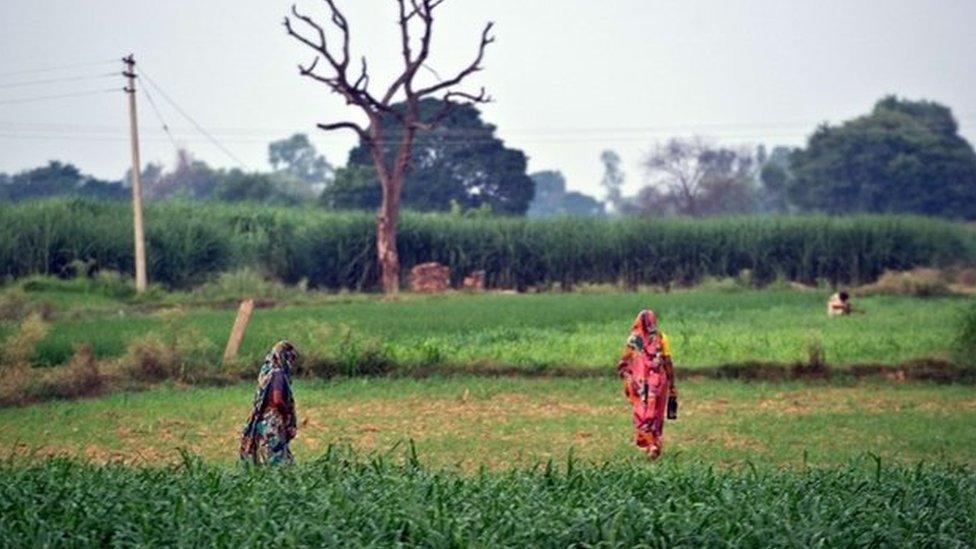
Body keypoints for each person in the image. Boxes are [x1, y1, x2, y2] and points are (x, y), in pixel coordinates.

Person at [616, 309, 678, 460]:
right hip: (658, 382)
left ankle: (652, 446)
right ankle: (655, 443)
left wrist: (628, 379)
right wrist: (672, 384)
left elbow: (624, 363)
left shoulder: (634, 340)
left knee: (642, 413)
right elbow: (667, 361)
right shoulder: (661, 338)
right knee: (656, 413)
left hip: (639, 383)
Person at [239, 340, 298, 465]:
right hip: (273, 421)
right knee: (278, 460)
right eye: (290, 359)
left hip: (263, 420)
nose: (291, 363)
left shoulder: (267, 374)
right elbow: (277, 399)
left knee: (266, 456)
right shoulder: (278, 375)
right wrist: (287, 413)